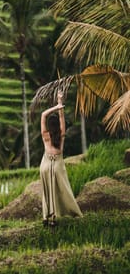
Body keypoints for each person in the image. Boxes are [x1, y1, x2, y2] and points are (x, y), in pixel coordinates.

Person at [40, 90, 83, 227]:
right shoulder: (62, 134)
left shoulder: (45, 135)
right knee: (62, 191)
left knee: (47, 191)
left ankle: (47, 218)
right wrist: (60, 103)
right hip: (57, 165)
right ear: (58, 126)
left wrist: (55, 107)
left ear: (48, 126)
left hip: (45, 165)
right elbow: (62, 118)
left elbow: (43, 115)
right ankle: (61, 215)